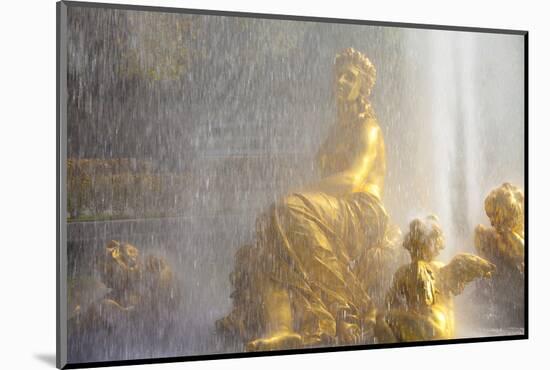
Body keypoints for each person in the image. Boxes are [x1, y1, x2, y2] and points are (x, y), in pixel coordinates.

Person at [218, 48, 401, 350]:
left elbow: (353, 179)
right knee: (269, 226)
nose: (341, 81)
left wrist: (302, 192)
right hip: (334, 207)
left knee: (289, 208)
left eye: (350, 77)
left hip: (362, 211)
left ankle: (348, 308)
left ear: (363, 87)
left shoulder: (368, 128)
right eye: (338, 75)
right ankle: (283, 326)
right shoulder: (334, 131)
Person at [377, 216, 494, 342]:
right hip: (447, 329)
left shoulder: (407, 270)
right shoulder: (444, 268)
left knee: (381, 318)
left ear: (413, 246)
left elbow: (389, 302)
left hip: (428, 330)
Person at [474, 183, 525, 327]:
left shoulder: (518, 240)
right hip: (496, 295)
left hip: (516, 298)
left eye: (494, 216)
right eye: (489, 216)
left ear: (507, 215)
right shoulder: (491, 236)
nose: (490, 222)